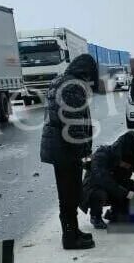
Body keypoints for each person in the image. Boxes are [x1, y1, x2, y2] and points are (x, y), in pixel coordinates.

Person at [40, 53, 98, 250]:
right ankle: (70, 237)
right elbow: (73, 124)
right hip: (66, 149)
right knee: (69, 193)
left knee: (68, 193)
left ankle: (72, 231)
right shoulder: (73, 86)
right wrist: (85, 154)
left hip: (59, 148)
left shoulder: (60, 81)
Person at [80, 131, 134, 229]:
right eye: (124, 162)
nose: (126, 165)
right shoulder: (102, 154)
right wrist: (126, 193)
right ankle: (95, 216)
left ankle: (115, 212)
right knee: (99, 193)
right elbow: (103, 180)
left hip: (112, 189)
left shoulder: (129, 158)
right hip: (92, 189)